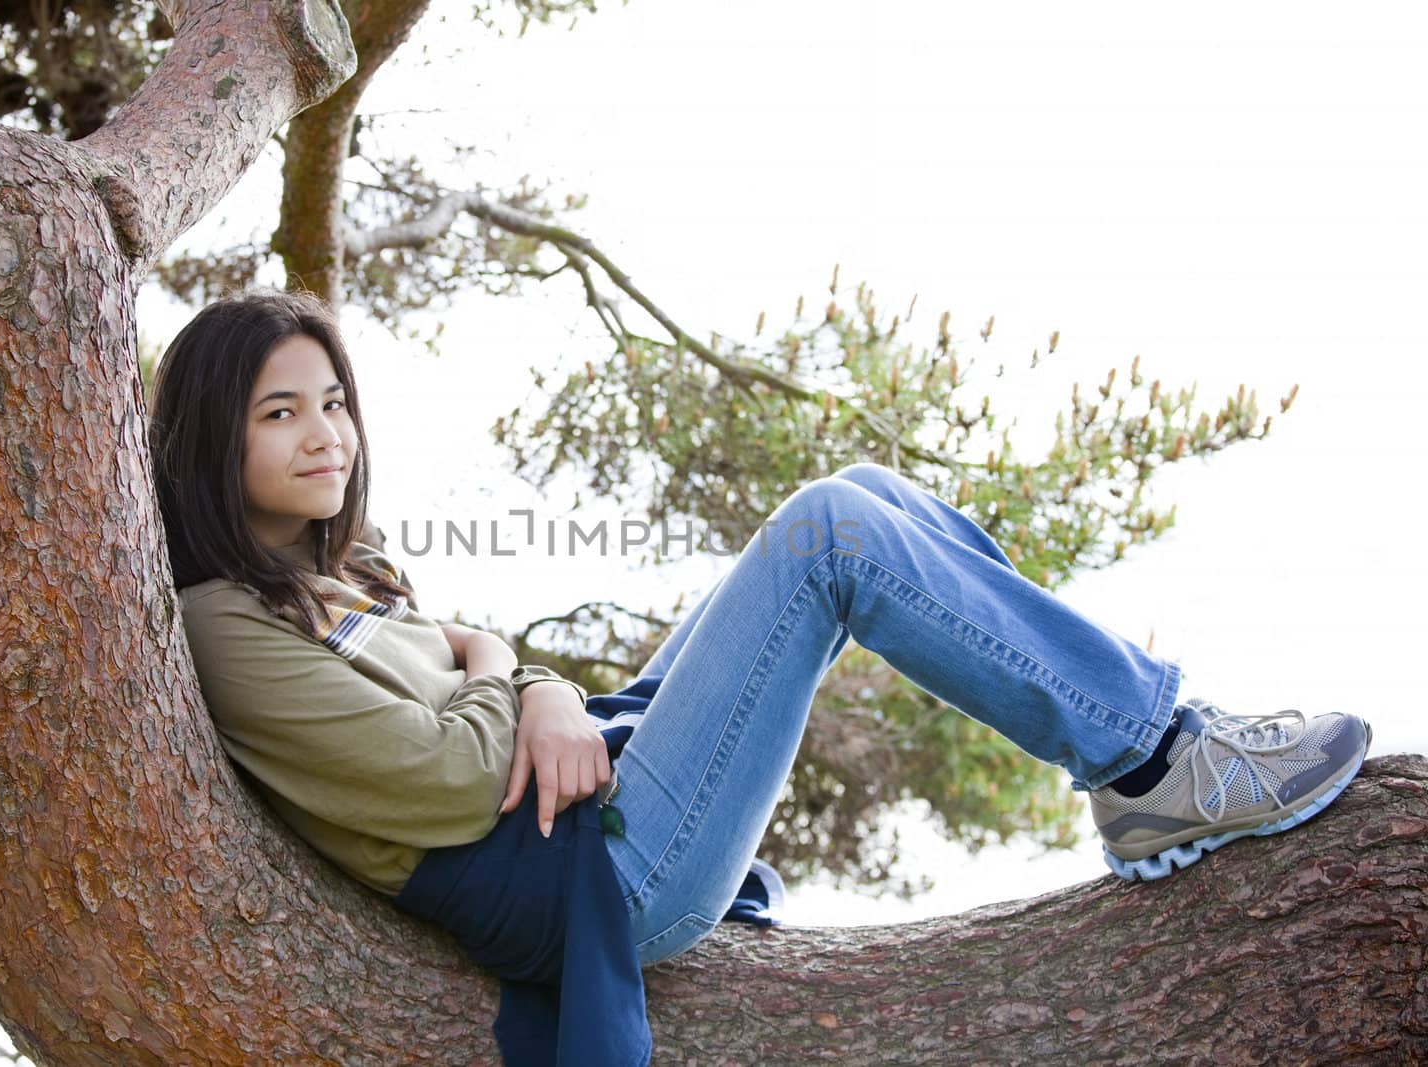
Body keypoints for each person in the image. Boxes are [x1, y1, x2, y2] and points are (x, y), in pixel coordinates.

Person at [149, 289, 1372, 1066]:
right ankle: (1154, 759)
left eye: (333, 403)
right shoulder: (219, 624)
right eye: (278, 413)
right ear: (215, 437)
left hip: (594, 794)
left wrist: (538, 684)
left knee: (872, 495)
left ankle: (1139, 732)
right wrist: (507, 669)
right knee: (831, 530)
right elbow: (451, 780)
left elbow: (508, 695)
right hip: (591, 873)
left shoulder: (348, 577)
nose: (326, 435)